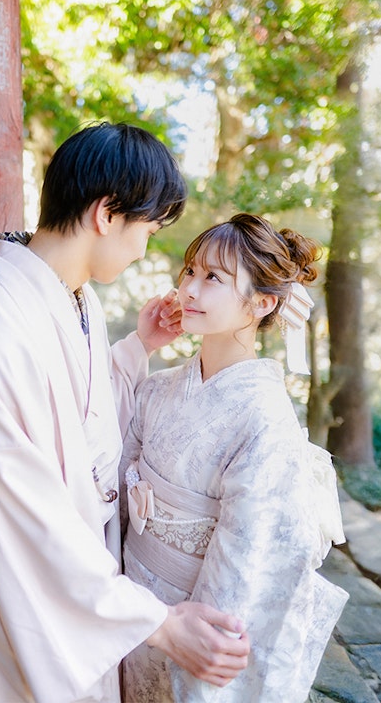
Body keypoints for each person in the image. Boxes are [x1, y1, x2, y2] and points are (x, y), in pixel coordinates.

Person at [0, 122, 251, 702]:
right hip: (20, 599)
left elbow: (82, 426)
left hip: (81, 585)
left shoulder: (77, 299)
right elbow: (25, 520)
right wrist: (160, 622)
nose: (147, 245)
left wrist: (135, 349)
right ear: (107, 214)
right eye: (147, 226)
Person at [121, 213, 349, 702]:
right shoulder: (158, 388)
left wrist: (203, 653)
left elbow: (247, 560)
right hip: (133, 607)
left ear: (262, 303)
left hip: (195, 616)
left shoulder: (266, 418)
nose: (190, 290)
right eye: (190, 271)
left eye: (213, 278)